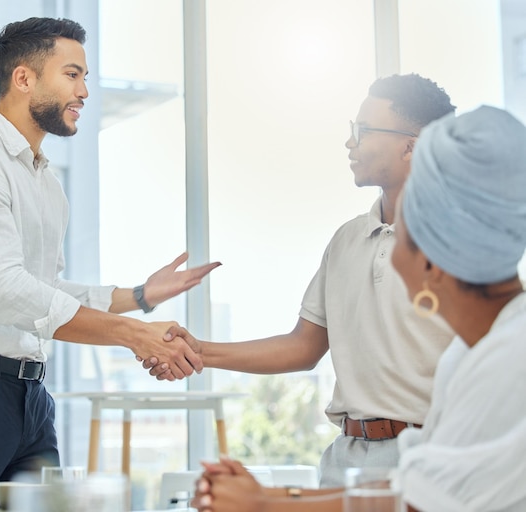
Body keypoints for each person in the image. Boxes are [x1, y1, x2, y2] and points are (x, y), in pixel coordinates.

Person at [0, 17, 220, 510]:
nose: (85, 91)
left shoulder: (46, 184)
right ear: (23, 78)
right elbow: (5, 292)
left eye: (86, 77)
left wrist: (138, 297)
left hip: (30, 399)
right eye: (72, 74)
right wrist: (131, 334)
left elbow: (43, 289)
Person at [190, 105, 526, 511]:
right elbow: (412, 487)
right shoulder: (475, 355)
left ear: (431, 256)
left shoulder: (509, 362)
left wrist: (266, 504)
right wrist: (267, 496)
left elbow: (417, 503)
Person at [144, 73, 456, 486]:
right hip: (345, 459)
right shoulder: (347, 239)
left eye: (362, 131)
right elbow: (304, 346)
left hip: (430, 457)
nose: (350, 143)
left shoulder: (458, 240)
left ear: (410, 146)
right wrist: (200, 351)